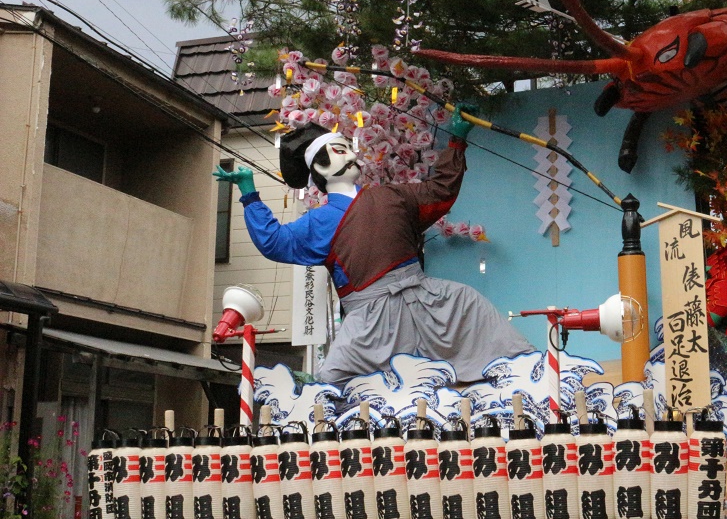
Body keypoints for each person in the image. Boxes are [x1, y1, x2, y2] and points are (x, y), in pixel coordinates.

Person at [215, 107, 534, 384]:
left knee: (474, 310)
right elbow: (274, 241)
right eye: (340, 150)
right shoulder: (318, 221)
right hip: (369, 321)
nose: (352, 154)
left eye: (346, 148)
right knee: (333, 384)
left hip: (429, 300)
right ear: (322, 168)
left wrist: (456, 140)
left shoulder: (393, 195)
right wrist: (249, 193)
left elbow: (441, 192)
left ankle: (530, 375)